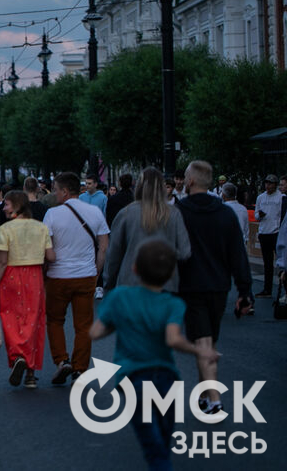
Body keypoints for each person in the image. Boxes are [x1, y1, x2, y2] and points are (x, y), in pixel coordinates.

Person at [91, 240, 220, 471]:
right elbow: (173, 339)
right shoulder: (173, 303)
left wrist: (118, 321)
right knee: (164, 432)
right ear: (171, 273)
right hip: (165, 376)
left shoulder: (120, 297)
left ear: (135, 269)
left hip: (133, 378)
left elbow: (95, 332)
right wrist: (200, 349)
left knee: (152, 444)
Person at [175, 161, 253, 414]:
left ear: (191, 181)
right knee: (208, 338)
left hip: (190, 284)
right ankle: (205, 392)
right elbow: (238, 255)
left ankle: (214, 397)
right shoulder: (225, 214)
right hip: (220, 285)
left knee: (203, 340)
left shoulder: (180, 212)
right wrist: (244, 290)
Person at [42, 172, 109, 385]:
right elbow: (104, 246)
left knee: (54, 320)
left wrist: (44, 273)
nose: (53, 193)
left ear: (64, 191)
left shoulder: (52, 214)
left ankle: (62, 360)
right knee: (84, 324)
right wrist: (96, 271)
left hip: (58, 275)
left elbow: (46, 248)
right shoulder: (95, 212)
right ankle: (80, 368)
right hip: (86, 274)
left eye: (55, 189)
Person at [0, 191, 54, 389]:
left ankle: (18, 356)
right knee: (33, 321)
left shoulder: (5, 229)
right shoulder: (41, 228)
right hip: (35, 277)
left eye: (6, 205)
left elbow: (2, 261)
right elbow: (51, 256)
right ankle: (31, 374)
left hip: (11, 277)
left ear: (16, 206)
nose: (4, 208)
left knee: (11, 320)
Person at [103, 167, 191, 293]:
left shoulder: (126, 214)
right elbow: (185, 252)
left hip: (130, 284)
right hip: (165, 284)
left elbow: (113, 256)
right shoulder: (174, 213)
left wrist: (108, 285)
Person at [254, 174, 282, 298]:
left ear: (275, 185)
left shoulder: (281, 197)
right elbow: (255, 215)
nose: (267, 185)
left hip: (276, 233)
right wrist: (259, 215)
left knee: (281, 262)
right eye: (266, 183)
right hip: (264, 232)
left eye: (270, 183)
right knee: (267, 263)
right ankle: (267, 289)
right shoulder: (261, 197)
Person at [221, 183, 250, 249]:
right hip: (240, 244)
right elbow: (246, 230)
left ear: (223, 195)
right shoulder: (243, 209)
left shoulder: (222, 209)